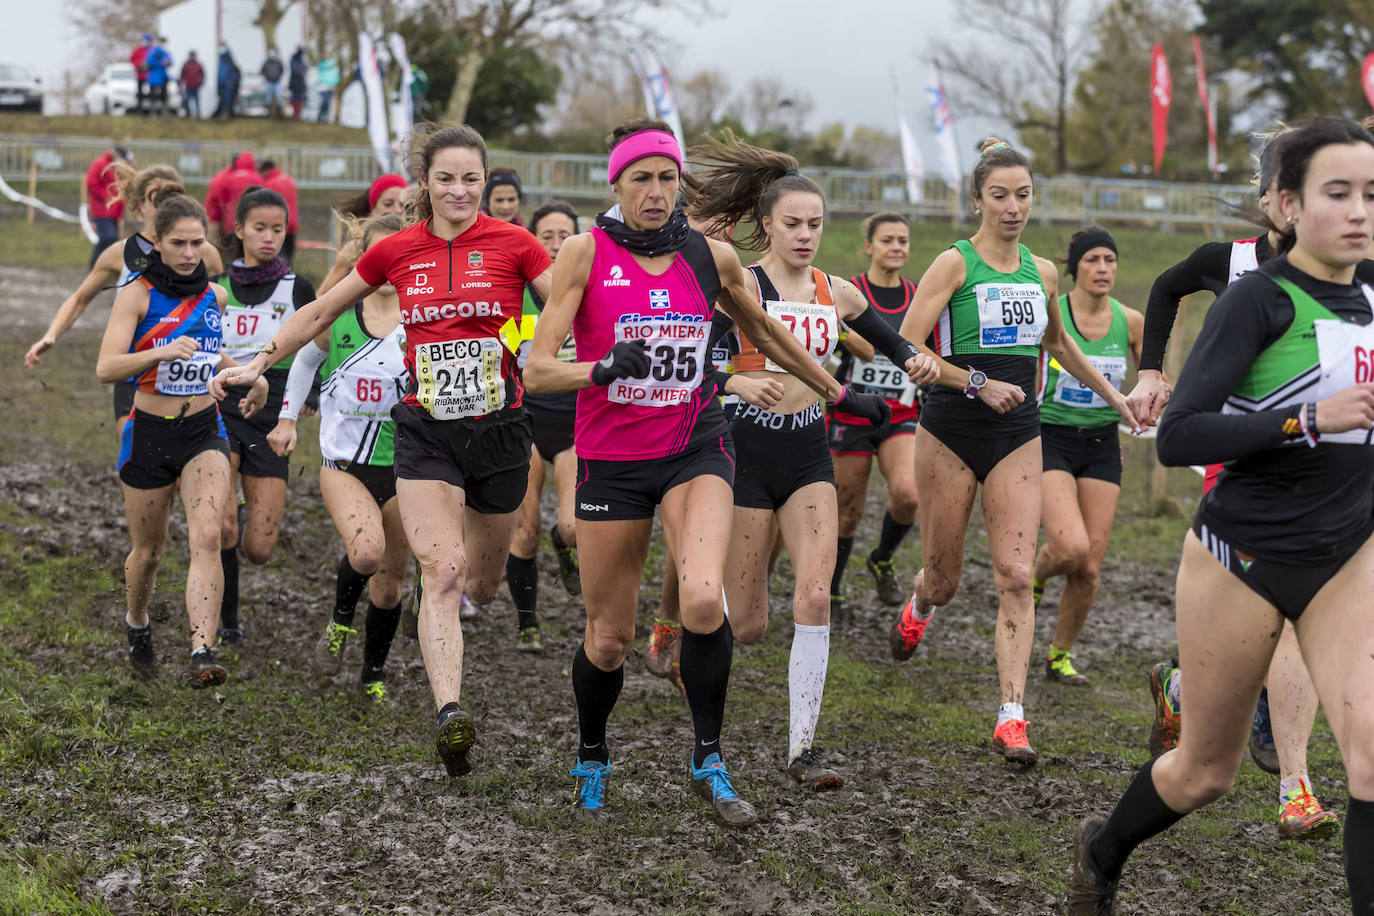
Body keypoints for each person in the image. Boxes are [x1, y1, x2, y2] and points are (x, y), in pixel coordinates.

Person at [523, 118, 918, 824]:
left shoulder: (709, 258)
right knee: (608, 640)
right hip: (612, 462)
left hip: (693, 450)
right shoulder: (585, 254)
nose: (654, 192)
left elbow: (766, 333)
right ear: (615, 184)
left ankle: (709, 759)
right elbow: (538, 368)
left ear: (682, 185)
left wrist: (837, 391)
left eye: (667, 178)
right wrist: (601, 368)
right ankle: (591, 754)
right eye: (640, 178)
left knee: (705, 602)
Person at [1068, 115, 1374, 916]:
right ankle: (1104, 852)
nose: (1357, 211)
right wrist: (1308, 420)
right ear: (1285, 204)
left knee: (1371, 755)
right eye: (1336, 193)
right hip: (1243, 552)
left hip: (1345, 551)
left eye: (1370, 194)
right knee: (1205, 771)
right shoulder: (1256, 301)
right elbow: (1179, 437)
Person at [212, 123, 553, 779]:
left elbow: (569, 306)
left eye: (471, 178)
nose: (459, 189)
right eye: (446, 178)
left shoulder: (516, 244)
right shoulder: (398, 250)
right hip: (425, 433)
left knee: (483, 580)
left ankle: (458, 661)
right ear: (424, 184)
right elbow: (317, 315)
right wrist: (260, 363)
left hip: (502, 432)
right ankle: (450, 712)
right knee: (442, 573)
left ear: (487, 182)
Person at [1126, 125, 1352, 838]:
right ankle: (1274, 763)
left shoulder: (1358, 275)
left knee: (1293, 634)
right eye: (1330, 190)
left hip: (1336, 488)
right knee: (1273, 633)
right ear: (1280, 200)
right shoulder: (1235, 265)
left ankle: (1292, 784)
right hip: (1243, 463)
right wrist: (1152, 371)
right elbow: (1164, 288)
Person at [690, 136, 935, 791]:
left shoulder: (839, 292)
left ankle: (803, 752)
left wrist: (959, 380)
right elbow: (696, 359)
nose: (805, 236)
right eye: (792, 224)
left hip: (806, 453)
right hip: (743, 452)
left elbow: (903, 350)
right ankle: (686, 609)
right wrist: (736, 383)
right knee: (746, 626)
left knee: (816, 596)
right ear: (766, 224)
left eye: (815, 225)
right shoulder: (739, 286)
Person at [890, 138, 1139, 766]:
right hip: (950, 430)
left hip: (1019, 434)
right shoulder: (953, 264)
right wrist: (973, 381)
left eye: (1023, 195)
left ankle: (1012, 716)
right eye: (999, 195)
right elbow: (905, 344)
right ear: (976, 199)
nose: (1012, 207)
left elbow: (1059, 346)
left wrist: (1118, 397)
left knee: (1016, 577)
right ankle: (920, 603)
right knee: (946, 580)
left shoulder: (1043, 271)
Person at [94, 193, 267, 686]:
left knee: (209, 535)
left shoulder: (215, 296)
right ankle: (138, 622)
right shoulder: (137, 293)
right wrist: (159, 352)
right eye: (179, 243)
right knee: (148, 553)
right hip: (147, 433)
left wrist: (247, 374)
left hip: (203, 429)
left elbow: (211, 357)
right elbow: (106, 368)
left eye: (197, 242)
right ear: (158, 243)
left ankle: (201, 650)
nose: (190, 252)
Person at [269, 213, 410, 703]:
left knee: (390, 587)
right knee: (367, 552)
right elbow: (306, 358)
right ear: (363, 261)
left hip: (408, 467)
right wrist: (287, 419)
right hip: (346, 462)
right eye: (378, 255)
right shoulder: (340, 316)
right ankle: (340, 619)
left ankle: (372, 673)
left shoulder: (423, 319)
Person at [26, 164, 224, 432]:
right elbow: (80, 299)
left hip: (189, 368)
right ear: (140, 205)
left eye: (171, 198)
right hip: (132, 367)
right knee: (135, 450)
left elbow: (217, 315)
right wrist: (51, 335)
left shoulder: (206, 254)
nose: (163, 205)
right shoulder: (120, 253)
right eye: (156, 198)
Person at [1030, 226, 1143, 687]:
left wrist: (1154, 403)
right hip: (1050, 436)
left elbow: (1153, 377)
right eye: (1093, 260)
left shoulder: (1131, 321)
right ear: (1074, 268)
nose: (1102, 268)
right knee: (1070, 548)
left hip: (1101, 443)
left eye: (1109, 260)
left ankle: (1059, 657)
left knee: (1090, 569)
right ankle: (1037, 575)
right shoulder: (1052, 316)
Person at [214, 187, 318, 644]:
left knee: (259, 548)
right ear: (238, 230)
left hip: (271, 410)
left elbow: (316, 345)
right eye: (259, 228)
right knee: (221, 531)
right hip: (217, 402)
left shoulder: (298, 287)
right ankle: (228, 620)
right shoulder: (215, 284)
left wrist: (307, 396)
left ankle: (238, 509)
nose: (269, 237)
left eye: (278, 229)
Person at [829, 212, 922, 613]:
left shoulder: (918, 295)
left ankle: (881, 557)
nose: (896, 247)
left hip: (901, 412)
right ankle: (830, 590)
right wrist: (842, 334)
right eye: (887, 240)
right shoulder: (850, 292)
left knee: (908, 495)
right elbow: (824, 352)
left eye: (902, 240)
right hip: (852, 413)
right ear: (869, 246)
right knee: (847, 513)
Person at [507, 200, 583, 651]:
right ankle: (527, 623)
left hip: (577, 420)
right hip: (525, 418)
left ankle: (564, 541)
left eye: (565, 236)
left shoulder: (589, 289)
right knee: (524, 529)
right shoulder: (514, 291)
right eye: (547, 236)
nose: (556, 246)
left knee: (572, 528)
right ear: (533, 239)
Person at [316, 174, 411, 296]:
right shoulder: (354, 250)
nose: (397, 210)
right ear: (373, 209)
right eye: (388, 204)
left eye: (403, 204)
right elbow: (321, 296)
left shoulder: (420, 245)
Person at [85, 147, 131, 266]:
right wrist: (107, 197)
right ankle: (95, 264)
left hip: (114, 211)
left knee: (112, 240)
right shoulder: (100, 164)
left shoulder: (116, 167)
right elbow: (91, 183)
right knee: (108, 238)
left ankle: (105, 266)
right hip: (102, 209)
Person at [205, 152, 259, 249]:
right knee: (215, 245)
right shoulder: (228, 177)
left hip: (221, 215)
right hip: (219, 215)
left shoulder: (225, 175)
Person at [258, 160, 299, 261]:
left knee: (275, 258)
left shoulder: (269, 183)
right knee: (289, 258)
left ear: (266, 170)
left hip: (277, 225)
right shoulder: (289, 179)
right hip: (292, 223)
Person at [144, 38, 173, 118]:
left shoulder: (165, 52)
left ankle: (164, 112)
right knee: (152, 95)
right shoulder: (152, 52)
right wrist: (161, 63)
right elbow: (149, 62)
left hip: (163, 76)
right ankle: (153, 113)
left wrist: (167, 62)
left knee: (164, 95)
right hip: (153, 77)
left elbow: (170, 61)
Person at [214, 44, 240, 120]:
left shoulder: (227, 58)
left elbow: (232, 71)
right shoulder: (221, 59)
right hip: (222, 84)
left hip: (227, 84)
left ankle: (226, 115)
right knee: (223, 100)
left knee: (227, 100)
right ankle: (224, 114)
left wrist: (231, 81)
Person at [130, 34, 152, 114]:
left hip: (150, 76)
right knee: (140, 93)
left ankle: (150, 109)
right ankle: (139, 109)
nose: (146, 42)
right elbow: (132, 60)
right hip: (140, 75)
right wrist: (138, 65)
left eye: (148, 41)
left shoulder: (152, 50)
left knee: (151, 93)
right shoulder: (137, 50)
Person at [179, 51, 204, 119]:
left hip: (196, 86)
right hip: (188, 86)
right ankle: (188, 113)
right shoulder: (186, 65)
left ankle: (198, 114)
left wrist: (200, 83)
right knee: (187, 100)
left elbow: (202, 75)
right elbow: (182, 75)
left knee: (197, 102)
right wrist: (181, 85)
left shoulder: (198, 65)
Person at [261, 48, 285, 118]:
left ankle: (279, 113)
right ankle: (268, 113)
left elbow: (282, 70)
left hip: (277, 82)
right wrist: (265, 77)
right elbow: (262, 70)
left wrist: (279, 76)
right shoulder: (266, 62)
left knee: (279, 97)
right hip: (269, 82)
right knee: (268, 98)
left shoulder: (278, 62)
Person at [315, 58, 339, 123]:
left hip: (330, 87)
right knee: (324, 103)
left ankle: (324, 118)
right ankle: (320, 118)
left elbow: (336, 78)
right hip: (324, 87)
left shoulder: (333, 69)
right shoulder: (323, 66)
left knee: (327, 103)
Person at [288, 47, 308, 120]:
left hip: (301, 84)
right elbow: (295, 69)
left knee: (300, 99)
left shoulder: (303, 59)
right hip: (295, 83)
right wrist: (302, 72)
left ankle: (298, 115)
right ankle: (295, 114)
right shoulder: (294, 58)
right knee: (295, 99)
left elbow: (305, 68)